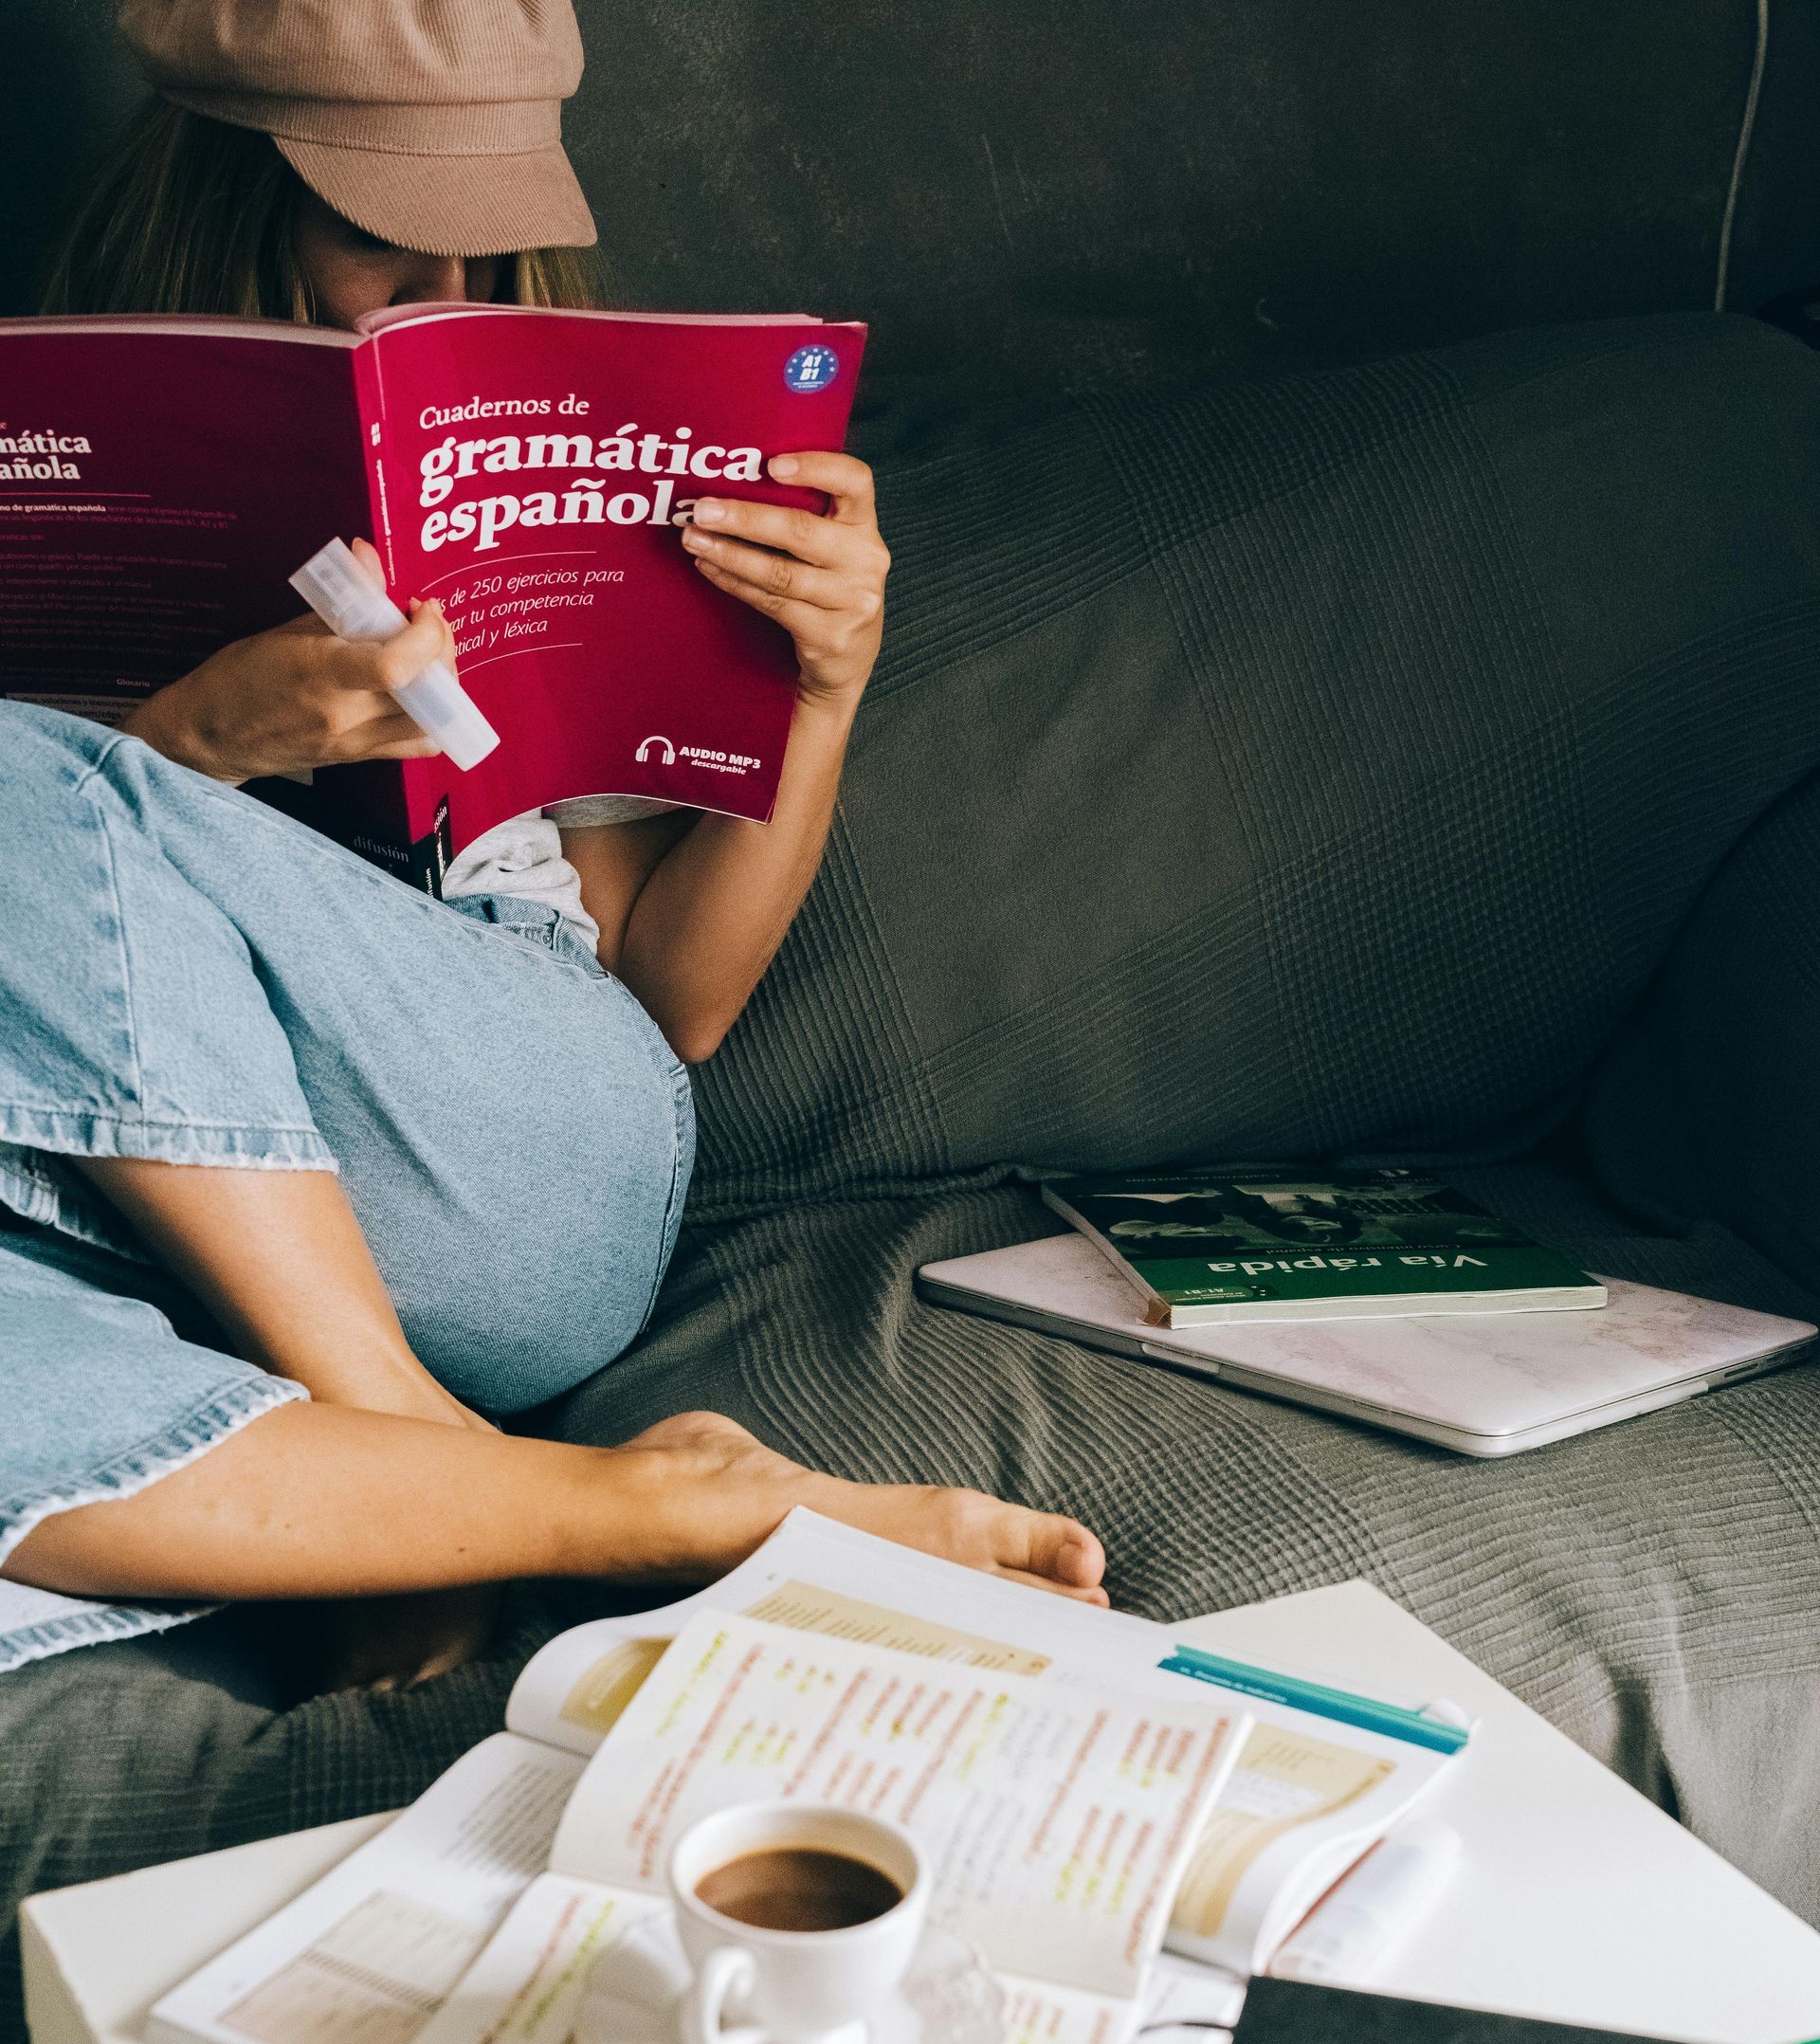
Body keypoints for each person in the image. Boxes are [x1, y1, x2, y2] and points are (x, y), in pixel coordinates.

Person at [0, 0, 1106, 1690]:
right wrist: (203, 741)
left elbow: (673, 1004)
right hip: (112, 1223)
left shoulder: (546, 460)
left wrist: (820, 688)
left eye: (493, 253)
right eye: (385, 245)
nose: (451, 301)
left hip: (506, 1161)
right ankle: (542, 1506)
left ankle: (402, 1432)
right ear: (224, 201)